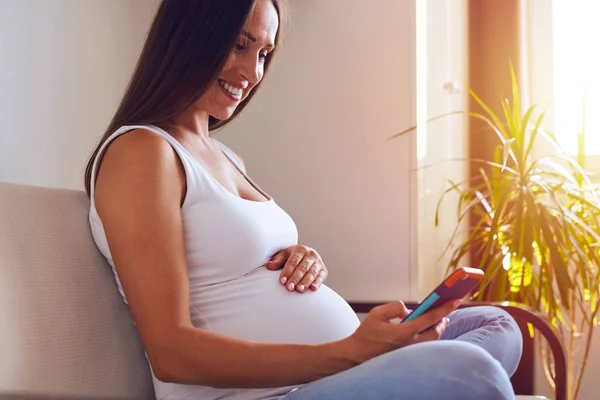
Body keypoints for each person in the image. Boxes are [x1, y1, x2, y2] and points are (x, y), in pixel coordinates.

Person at [84, 0, 523, 399]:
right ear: (188, 37)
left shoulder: (224, 155)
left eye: (263, 54)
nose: (253, 72)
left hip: (329, 374)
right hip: (272, 393)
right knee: (470, 372)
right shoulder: (142, 151)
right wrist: (351, 351)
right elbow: (171, 352)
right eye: (240, 45)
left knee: (496, 326)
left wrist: (299, 256)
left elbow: (233, 257)